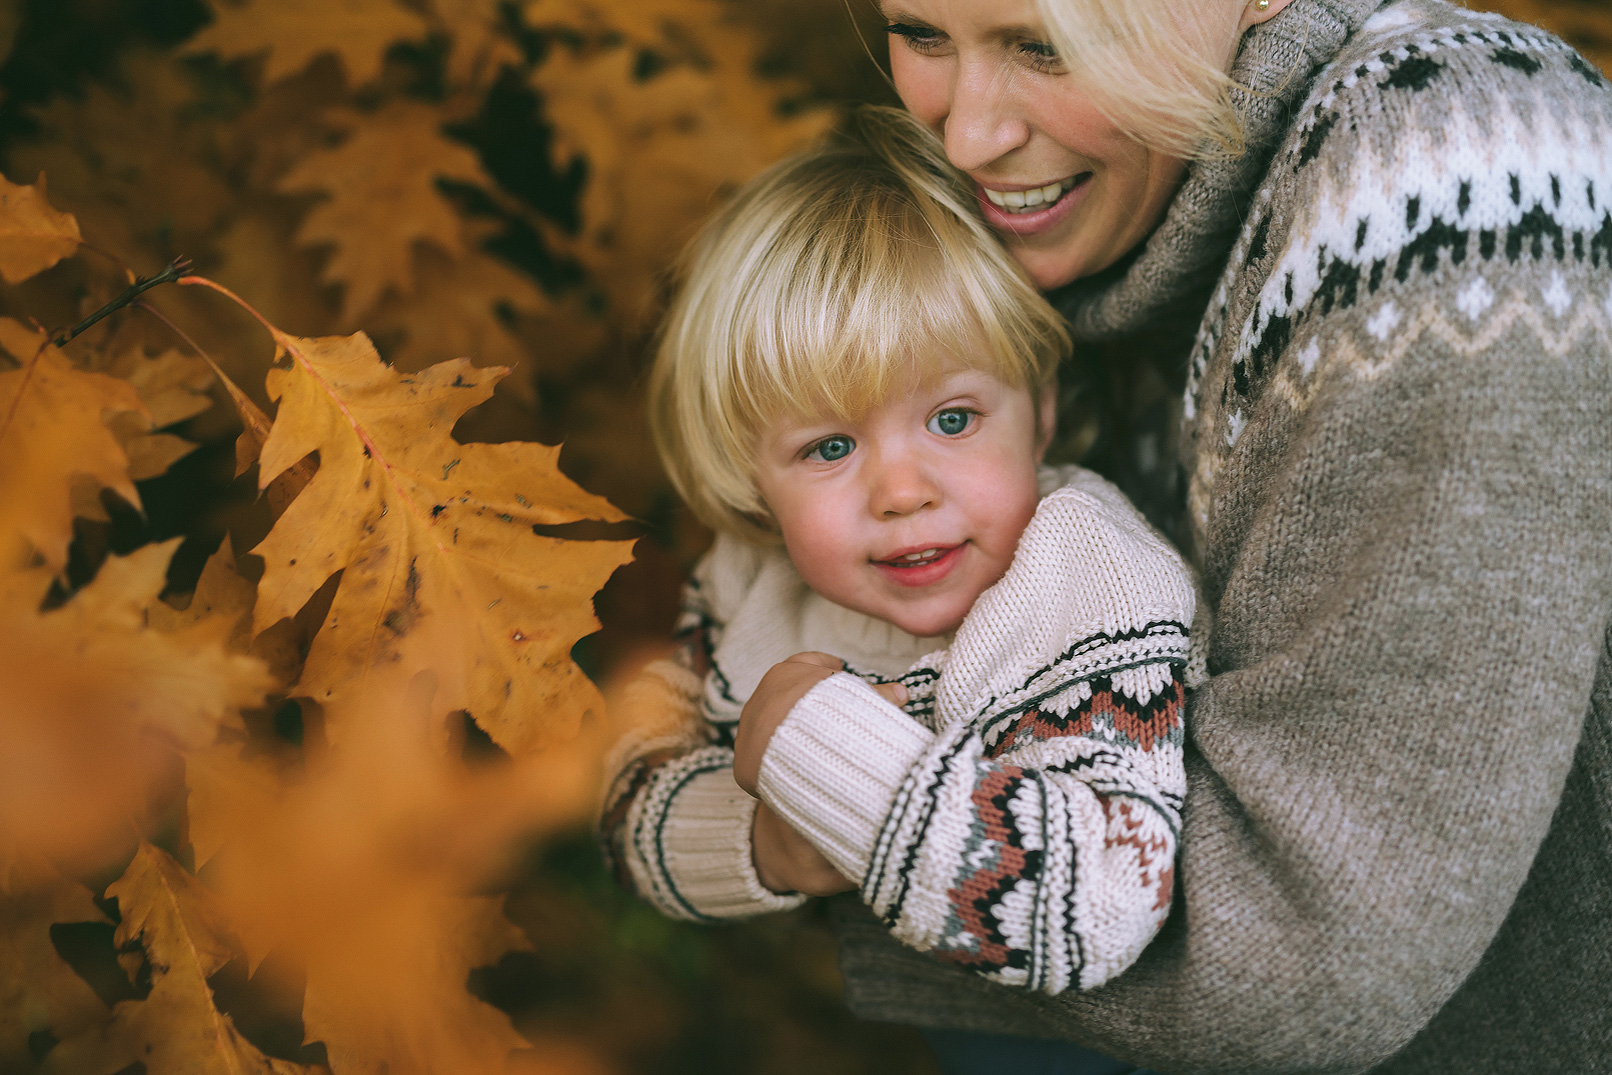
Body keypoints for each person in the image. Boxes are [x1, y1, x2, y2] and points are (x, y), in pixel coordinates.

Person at [809, 0, 1610, 1072]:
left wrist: (839, 795)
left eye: (1045, 46)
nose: (968, 137)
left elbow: (1300, 949)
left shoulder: (1452, 170)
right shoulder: (1107, 206)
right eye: (920, 34)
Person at [600, 105, 1200, 1052]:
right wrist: (767, 844)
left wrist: (828, 751)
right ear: (752, 476)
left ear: (1039, 410)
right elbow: (633, 797)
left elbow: (1108, 905)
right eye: (829, 446)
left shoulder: (1086, 575)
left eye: (953, 420)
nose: (902, 491)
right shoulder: (753, 578)